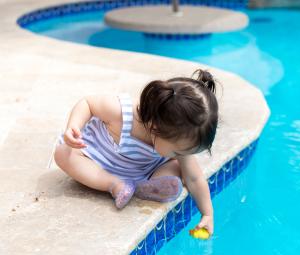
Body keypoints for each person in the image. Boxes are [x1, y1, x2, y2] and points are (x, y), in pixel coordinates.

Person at [54, 69, 218, 235]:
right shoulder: (120, 112)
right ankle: (114, 184)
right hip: (98, 160)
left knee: (177, 167)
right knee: (63, 154)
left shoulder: (176, 136)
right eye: (178, 151)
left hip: (143, 169)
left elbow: (195, 178)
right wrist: (73, 126)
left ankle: (147, 185)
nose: (182, 155)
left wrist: (207, 213)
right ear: (156, 129)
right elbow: (87, 103)